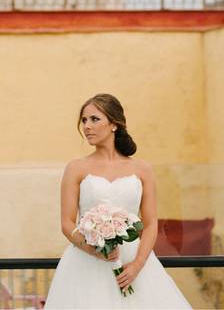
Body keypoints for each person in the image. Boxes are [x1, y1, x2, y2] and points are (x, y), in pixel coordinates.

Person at [44, 94, 191, 309]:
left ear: (114, 124)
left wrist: (137, 265)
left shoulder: (142, 169)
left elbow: (150, 224)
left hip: (134, 262)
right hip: (86, 262)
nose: (87, 127)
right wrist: (94, 251)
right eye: (84, 121)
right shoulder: (76, 168)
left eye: (94, 119)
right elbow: (67, 223)